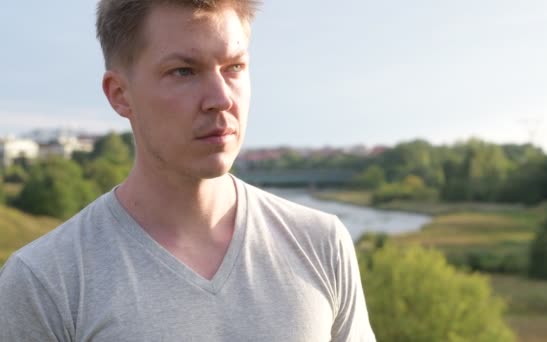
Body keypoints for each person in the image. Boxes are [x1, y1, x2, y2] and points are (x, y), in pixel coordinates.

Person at [0, 0, 376, 341]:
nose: (221, 98)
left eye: (234, 67)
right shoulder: (45, 280)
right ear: (120, 94)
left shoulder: (321, 242)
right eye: (183, 71)